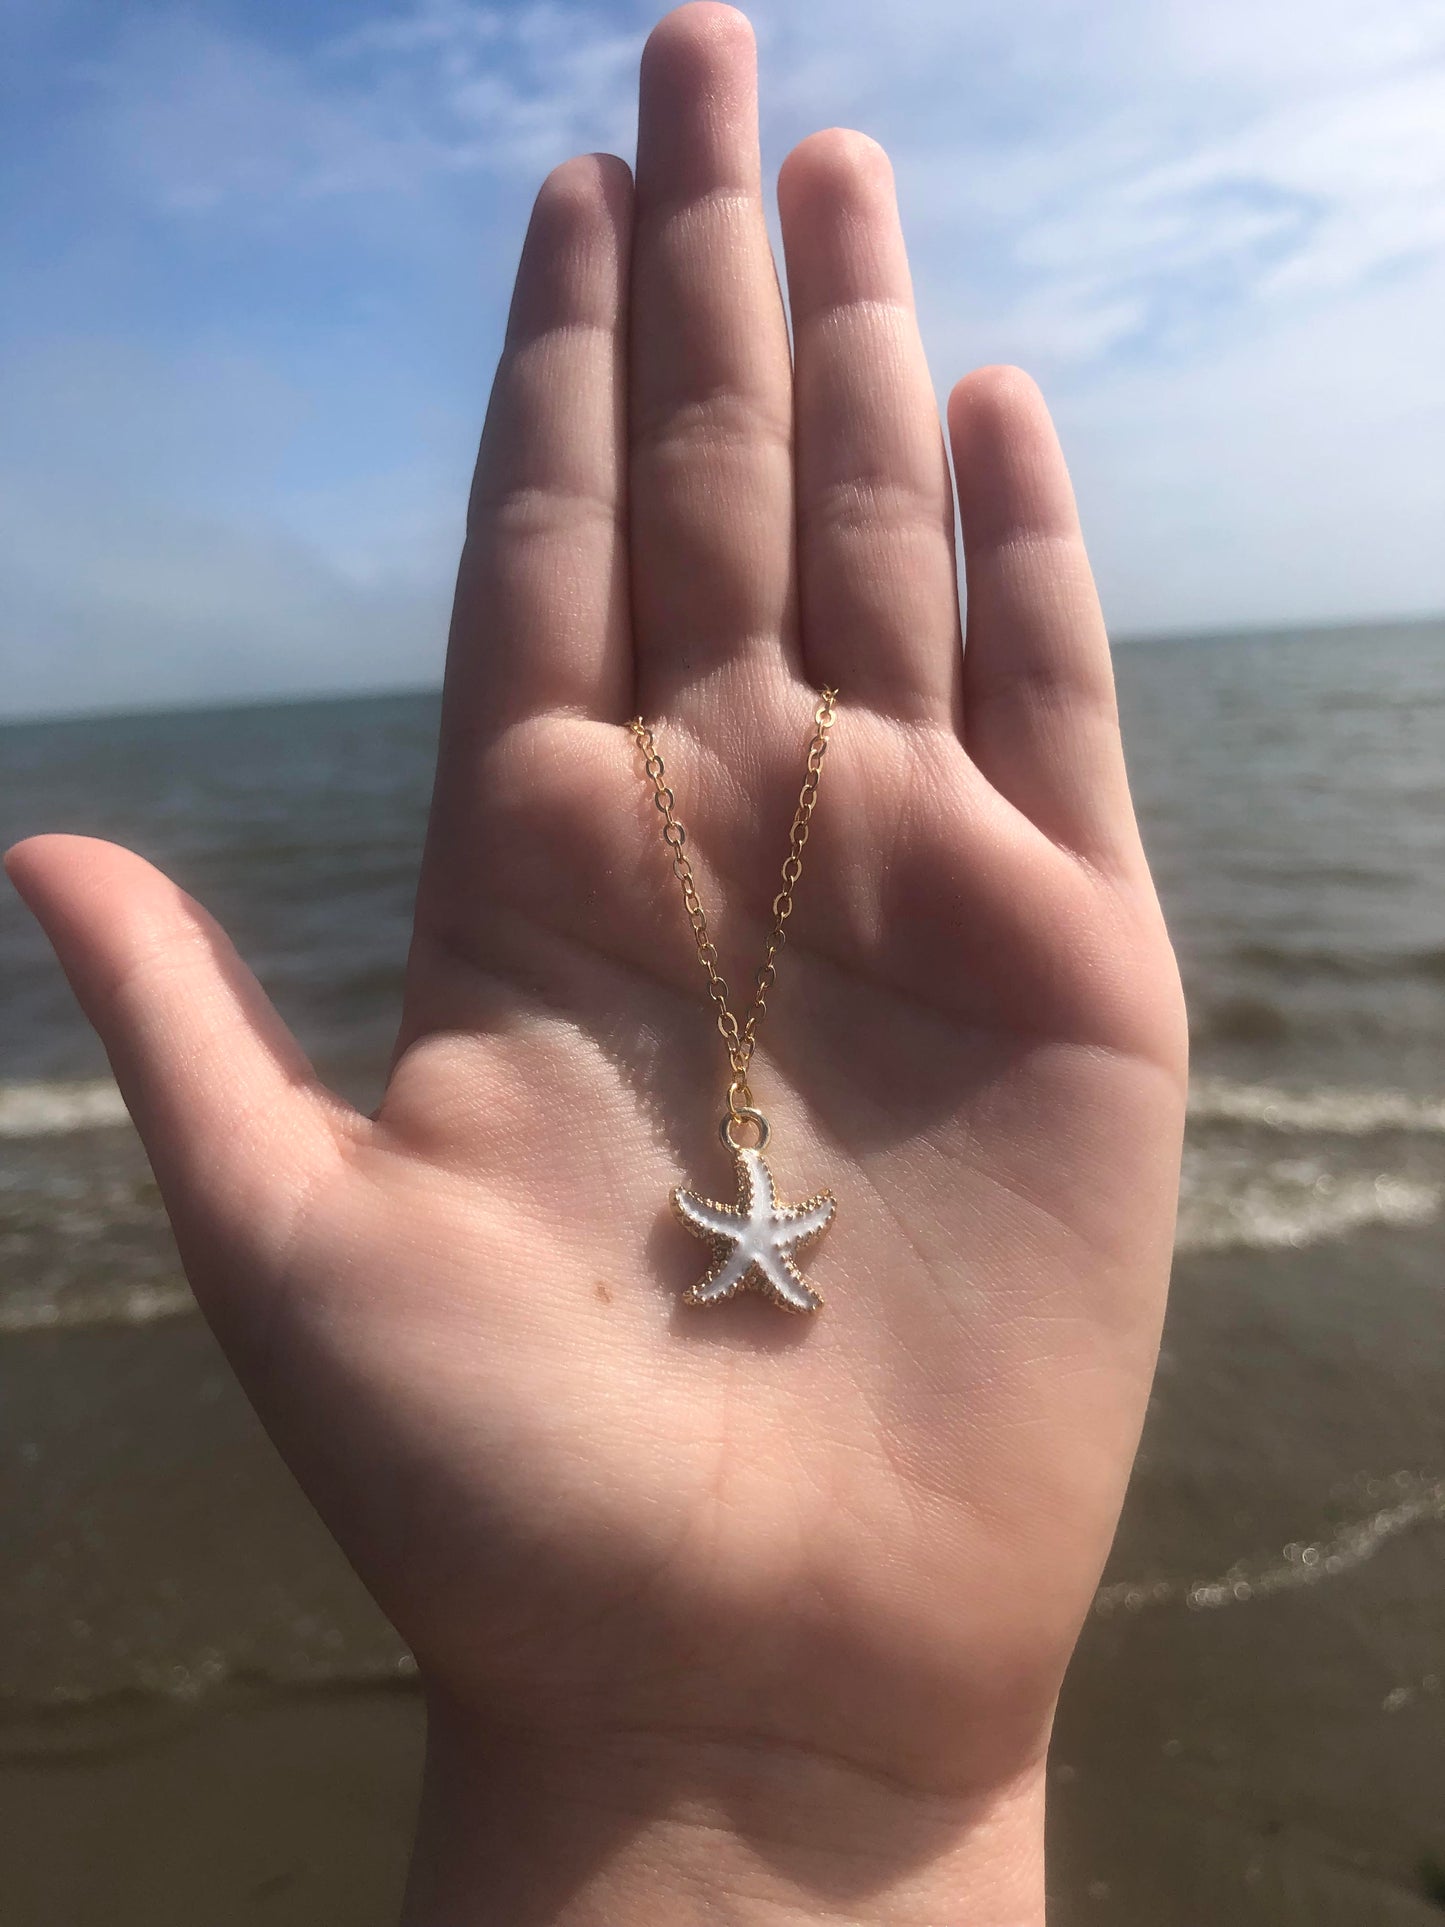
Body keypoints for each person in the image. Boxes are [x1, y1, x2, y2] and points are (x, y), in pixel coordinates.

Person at [5, 5, 1186, 1920]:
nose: (751, 1239)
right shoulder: (748, 1220)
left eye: (756, 1231)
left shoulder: (760, 1220)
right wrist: (700, 1759)